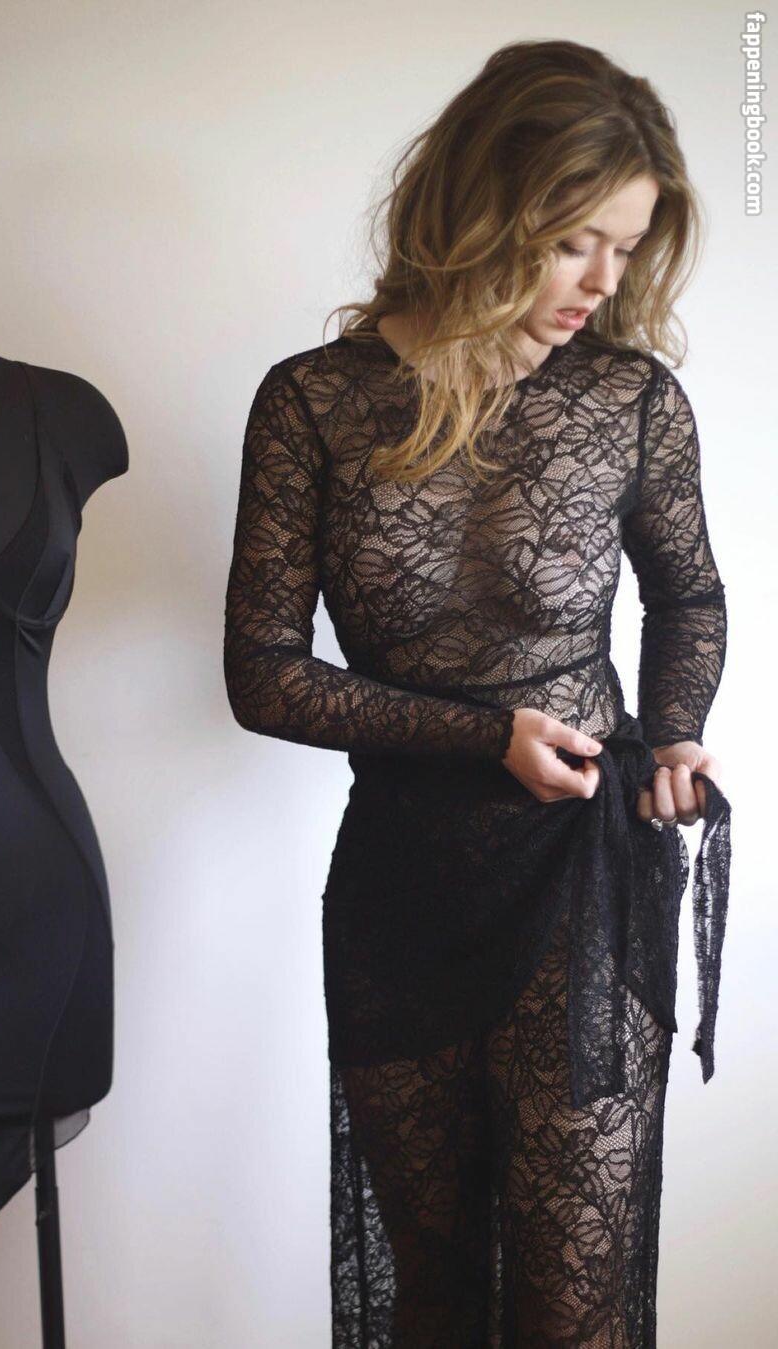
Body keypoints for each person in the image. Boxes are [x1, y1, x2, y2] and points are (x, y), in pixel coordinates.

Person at [223, 39, 730, 1347]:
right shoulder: (313, 405)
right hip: (403, 879)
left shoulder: (629, 400)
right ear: (485, 212)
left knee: (571, 1304)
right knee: (438, 1295)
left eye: (626, 248)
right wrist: (486, 734)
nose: (604, 282)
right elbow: (263, 674)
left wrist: (675, 733)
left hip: (583, 870)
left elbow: (689, 597)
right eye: (573, 244)